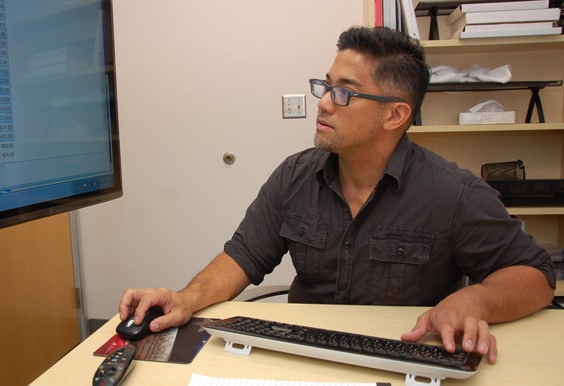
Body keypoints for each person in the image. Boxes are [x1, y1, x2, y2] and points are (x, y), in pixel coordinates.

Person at [119, 26, 555, 365]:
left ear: (395, 115)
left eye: (343, 92)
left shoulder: (453, 193)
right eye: (324, 85)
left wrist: (471, 298)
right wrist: (186, 298)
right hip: (301, 357)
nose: (324, 103)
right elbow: (242, 257)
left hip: (401, 360)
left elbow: (535, 275)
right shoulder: (294, 175)